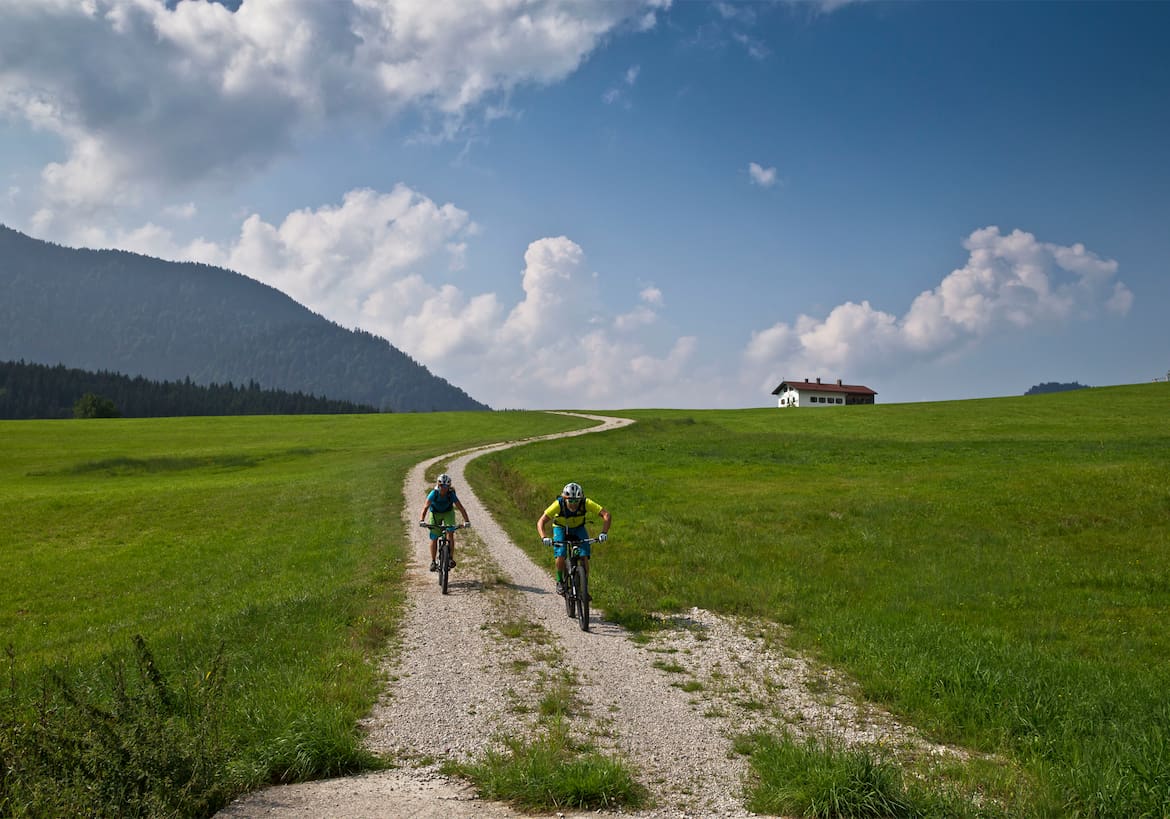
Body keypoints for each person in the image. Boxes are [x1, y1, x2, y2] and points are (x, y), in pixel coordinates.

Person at [536, 481, 610, 595]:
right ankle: (560, 581)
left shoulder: (586, 503)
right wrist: (544, 537)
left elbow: (606, 515)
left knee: (584, 555)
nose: (574, 504)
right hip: (560, 528)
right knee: (560, 553)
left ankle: (584, 587)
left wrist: (604, 532)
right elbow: (541, 521)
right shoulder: (558, 504)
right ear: (564, 498)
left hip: (578, 528)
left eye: (576, 501)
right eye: (570, 500)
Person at [419, 473, 470, 572]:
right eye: (441, 485)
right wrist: (422, 520)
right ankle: (433, 561)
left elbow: (461, 508)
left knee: (450, 533)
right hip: (435, 513)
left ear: (449, 486)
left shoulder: (451, 494)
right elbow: (425, 507)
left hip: (448, 513)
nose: (444, 488)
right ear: (438, 485)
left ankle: (450, 558)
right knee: (434, 536)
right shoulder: (434, 493)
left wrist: (466, 521)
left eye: (446, 486)